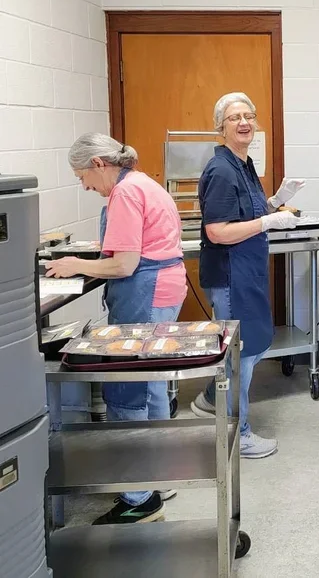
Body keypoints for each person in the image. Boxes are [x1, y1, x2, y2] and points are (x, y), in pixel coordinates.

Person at [46, 132, 187, 524]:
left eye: (82, 177)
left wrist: (76, 264)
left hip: (145, 289)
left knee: (126, 391)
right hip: (164, 286)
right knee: (152, 383)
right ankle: (158, 475)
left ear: (98, 164)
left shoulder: (124, 193)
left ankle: (139, 498)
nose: (85, 186)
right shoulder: (142, 182)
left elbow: (125, 265)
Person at [190, 92, 305, 459]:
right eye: (234, 117)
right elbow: (218, 231)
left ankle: (211, 400)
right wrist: (271, 220)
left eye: (249, 115)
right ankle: (236, 435)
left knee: (244, 350)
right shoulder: (221, 170)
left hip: (247, 272)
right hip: (230, 276)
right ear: (219, 127)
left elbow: (246, 213)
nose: (244, 122)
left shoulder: (243, 163)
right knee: (240, 356)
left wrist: (275, 201)